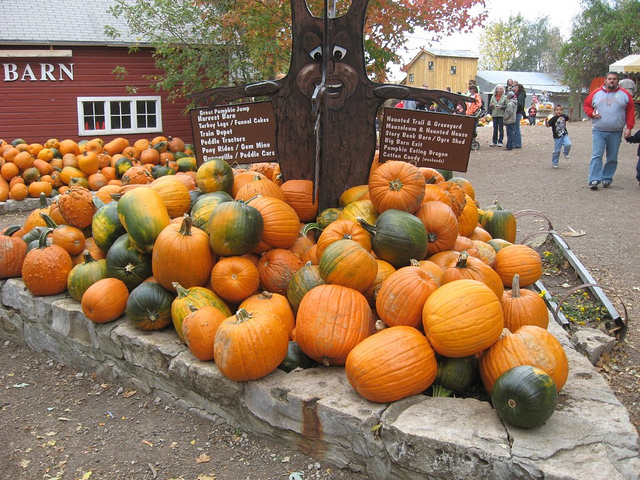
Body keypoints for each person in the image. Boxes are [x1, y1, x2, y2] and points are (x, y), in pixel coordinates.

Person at [583, 71, 636, 189]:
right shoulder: (596, 93)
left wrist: (629, 127)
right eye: (610, 79)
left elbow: (630, 112)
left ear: (618, 81)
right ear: (605, 80)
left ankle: (607, 178)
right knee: (597, 155)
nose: (612, 81)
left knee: (612, 157)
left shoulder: (625, 95)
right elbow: (586, 105)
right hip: (599, 130)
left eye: (614, 79)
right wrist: (591, 113)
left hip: (616, 131)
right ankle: (594, 179)